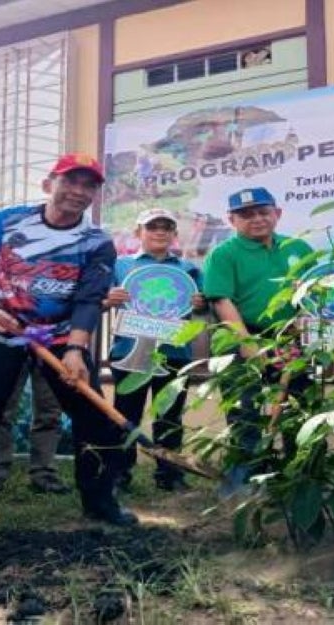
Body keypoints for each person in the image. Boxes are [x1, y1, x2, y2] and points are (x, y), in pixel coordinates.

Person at [0, 153, 135, 537]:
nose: (79, 191)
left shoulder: (97, 242)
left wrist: (75, 349)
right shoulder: (7, 221)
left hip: (60, 337)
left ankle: (100, 501)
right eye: (71, 181)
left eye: (89, 185)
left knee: (95, 419)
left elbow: (89, 297)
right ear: (49, 184)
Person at [202, 188, 314, 492]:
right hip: (241, 336)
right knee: (244, 408)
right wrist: (247, 343)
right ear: (232, 220)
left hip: (289, 338)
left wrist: (300, 329)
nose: (257, 220)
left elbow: (312, 294)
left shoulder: (298, 247)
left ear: (277, 214)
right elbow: (221, 300)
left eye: (263, 212)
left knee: (298, 405)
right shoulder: (223, 254)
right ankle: (244, 478)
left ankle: (298, 473)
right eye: (246, 215)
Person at [105, 208, 206, 491]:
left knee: (170, 417)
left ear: (174, 234)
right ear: (139, 233)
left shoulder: (190, 269)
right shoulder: (120, 266)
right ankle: (119, 474)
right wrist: (108, 297)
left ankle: (170, 475)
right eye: (152, 227)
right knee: (125, 416)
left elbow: (205, 307)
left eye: (166, 227)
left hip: (175, 353)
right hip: (129, 353)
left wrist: (202, 304)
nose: (159, 232)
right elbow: (99, 301)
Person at [0, 370, 69, 494]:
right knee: (0, 411)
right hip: (11, 351)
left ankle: (44, 473)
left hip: (49, 352)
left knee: (49, 413)